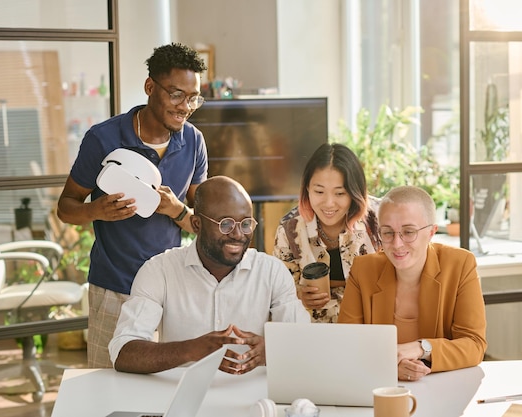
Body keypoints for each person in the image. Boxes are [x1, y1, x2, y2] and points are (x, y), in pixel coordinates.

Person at [57, 43, 209, 368]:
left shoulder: (194, 141)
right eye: (176, 94)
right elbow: (66, 207)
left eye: (193, 97)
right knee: (109, 387)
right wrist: (96, 211)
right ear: (150, 87)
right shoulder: (103, 139)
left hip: (170, 291)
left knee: (165, 393)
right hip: (114, 288)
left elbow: (203, 223)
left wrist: (175, 209)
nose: (186, 106)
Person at [108, 176, 310, 375]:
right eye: (225, 225)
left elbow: (303, 344)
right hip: (179, 397)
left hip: (253, 400)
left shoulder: (272, 272)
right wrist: (192, 350)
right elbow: (123, 353)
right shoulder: (159, 271)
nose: (238, 234)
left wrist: (270, 351)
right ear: (196, 225)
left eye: (246, 224)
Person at [338, 185, 487, 381]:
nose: (397, 244)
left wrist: (421, 348)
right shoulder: (363, 270)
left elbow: (474, 345)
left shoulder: (460, 265)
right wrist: (389, 368)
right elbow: (346, 344)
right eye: (388, 233)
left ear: (432, 232)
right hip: (380, 389)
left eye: (408, 232)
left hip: (443, 388)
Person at [273, 143, 380, 323]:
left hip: (371, 325)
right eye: (319, 191)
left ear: (355, 193)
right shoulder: (289, 228)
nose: (329, 203)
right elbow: (279, 291)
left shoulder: (379, 219)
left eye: (340, 193)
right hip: (314, 333)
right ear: (307, 188)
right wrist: (299, 294)